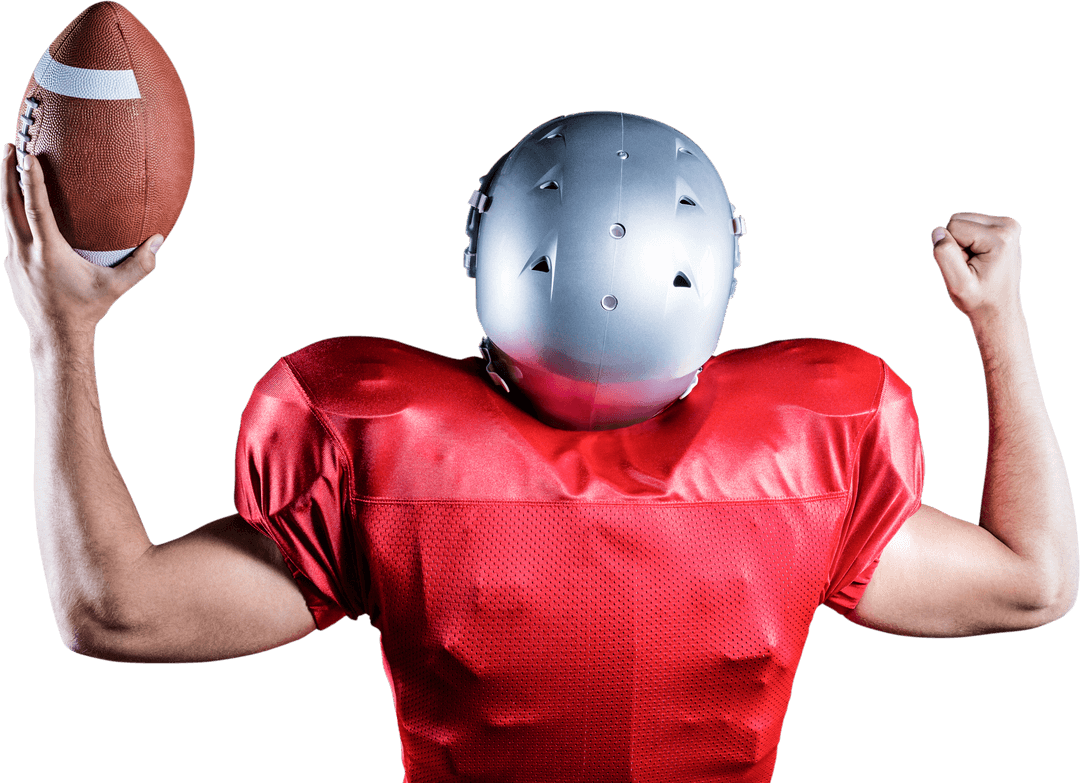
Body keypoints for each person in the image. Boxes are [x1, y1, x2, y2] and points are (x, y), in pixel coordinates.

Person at [4, 111, 1076, 782]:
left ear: (491, 255)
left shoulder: (377, 444)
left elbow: (112, 611)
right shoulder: (811, 449)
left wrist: (61, 333)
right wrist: (1000, 323)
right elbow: (1037, 581)